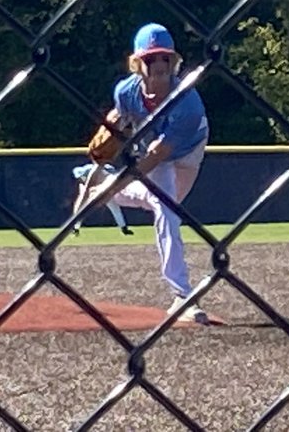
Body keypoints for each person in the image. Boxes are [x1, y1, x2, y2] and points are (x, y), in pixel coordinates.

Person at [73, 22, 211, 324]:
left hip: (187, 149)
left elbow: (153, 158)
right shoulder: (126, 91)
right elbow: (118, 119)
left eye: (165, 58)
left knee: (162, 201)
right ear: (138, 64)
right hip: (154, 147)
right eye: (151, 59)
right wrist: (109, 128)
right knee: (165, 207)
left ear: (174, 62)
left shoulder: (187, 101)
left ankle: (104, 186)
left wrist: (108, 191)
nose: (159, 65)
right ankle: (182, 295)